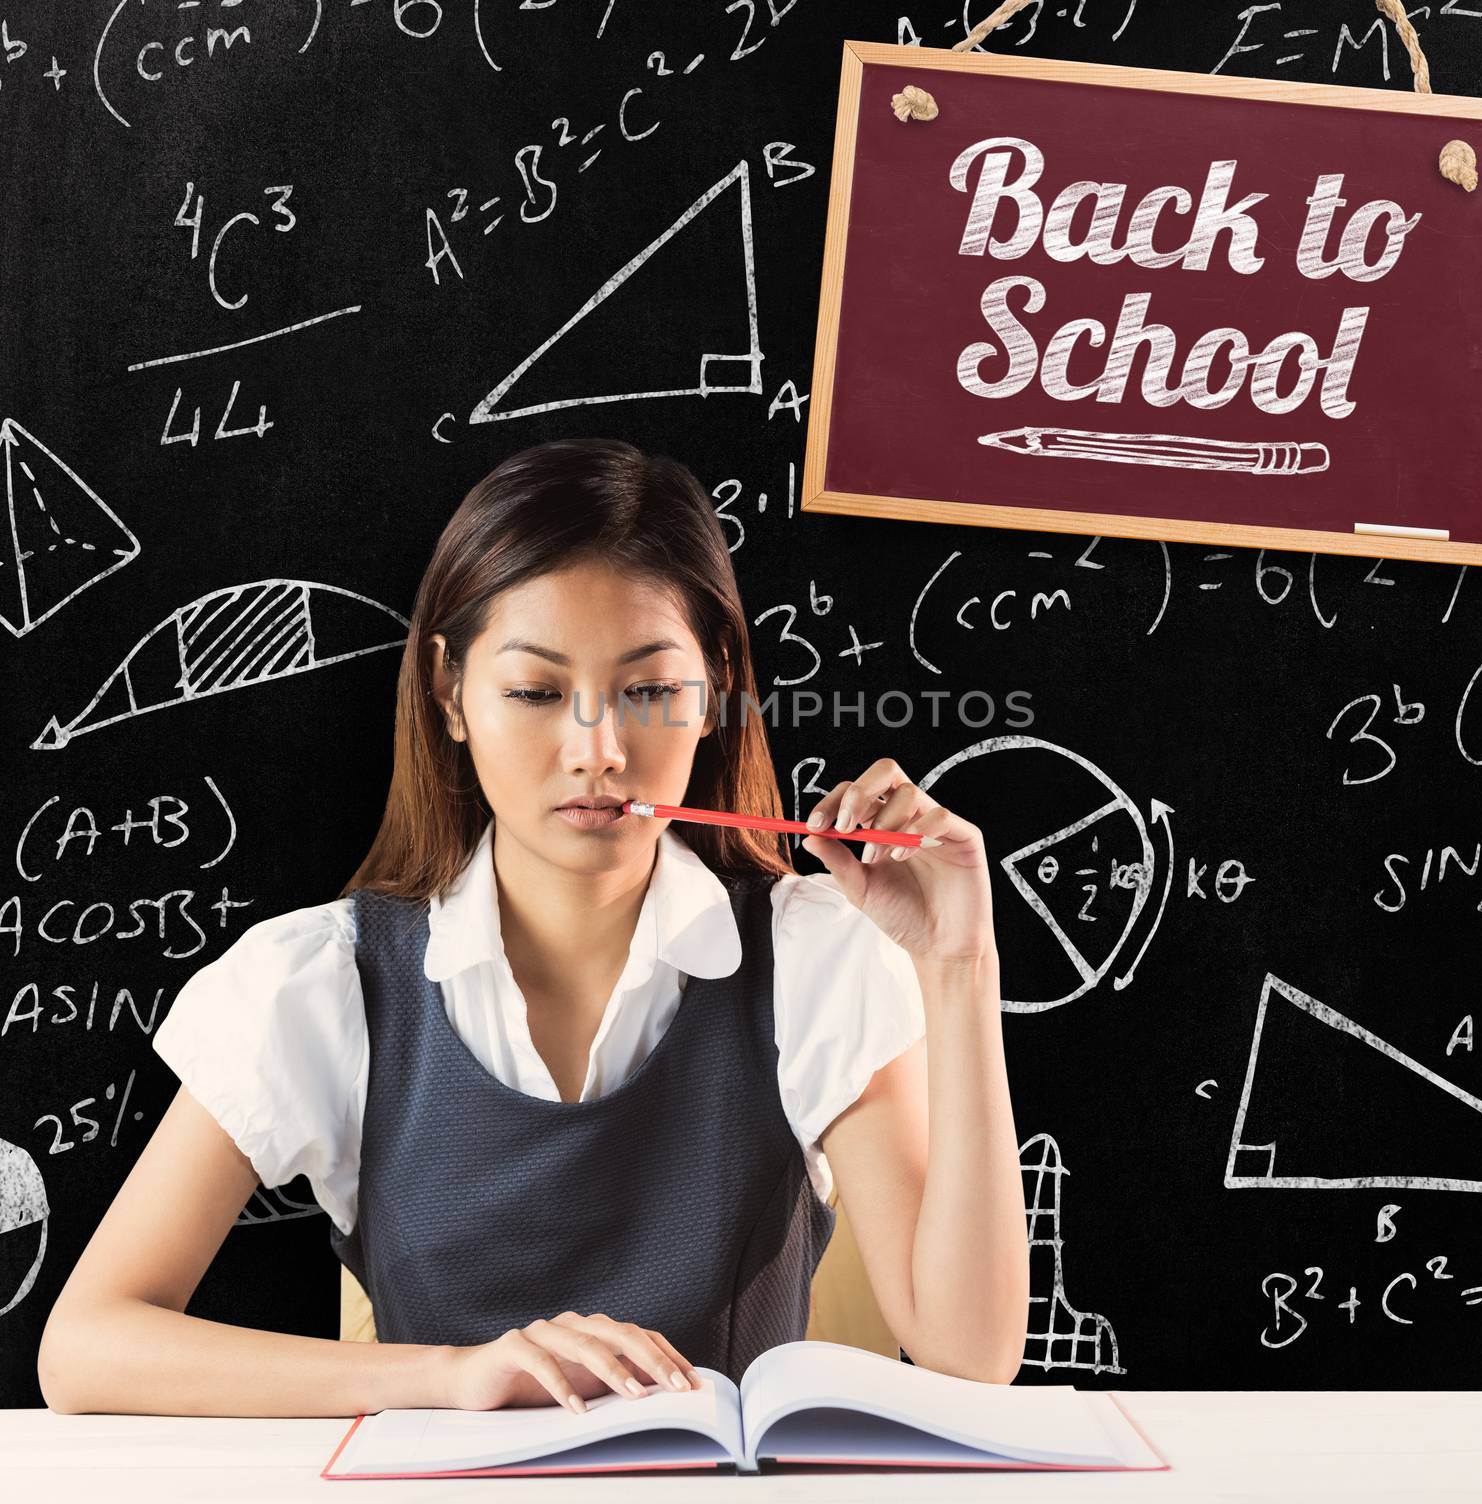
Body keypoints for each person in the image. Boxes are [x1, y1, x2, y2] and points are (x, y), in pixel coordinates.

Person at [37, 438, 1029, 1417]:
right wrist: (449, 1375)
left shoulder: (814, 956)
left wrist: (958, 960)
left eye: (646, 690)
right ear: (448, 694)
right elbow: (85, 1347)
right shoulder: (327, 981)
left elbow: (968, 1352)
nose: (596, 750)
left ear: (715, 688)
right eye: (535, 691)